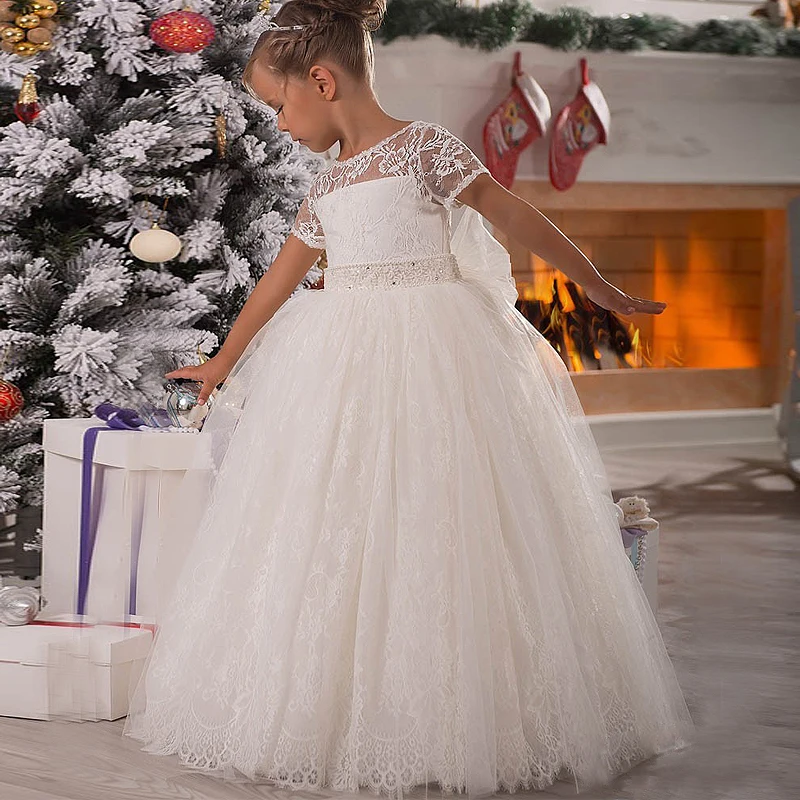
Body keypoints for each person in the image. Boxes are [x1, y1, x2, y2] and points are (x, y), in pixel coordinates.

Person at [123, 1, 693, 798]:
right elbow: (278, 285)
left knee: (444, 515)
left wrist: (596, 286)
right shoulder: (326, 185)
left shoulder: (425, 148)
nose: (281, 125)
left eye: (281, 106)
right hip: (341, 367)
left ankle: (466, 710)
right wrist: (220, 362)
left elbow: (511, 212)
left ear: (321, 81)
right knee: (336, 520)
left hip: (438, 357)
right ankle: (340, 703)